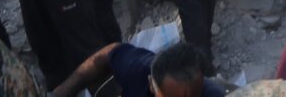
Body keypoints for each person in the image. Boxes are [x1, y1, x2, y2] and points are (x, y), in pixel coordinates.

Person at [53, 41, 222, 97]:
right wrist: (61, 92)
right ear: (151, 84)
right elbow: (109, 54)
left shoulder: (214, 94)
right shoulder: (138, 70)